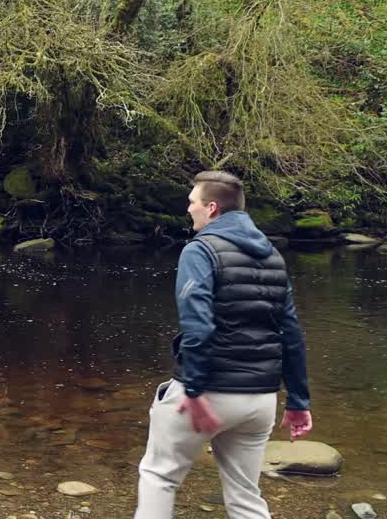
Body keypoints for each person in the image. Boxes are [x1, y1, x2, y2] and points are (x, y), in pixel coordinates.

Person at [133, 170, 313, 519]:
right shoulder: (273, 257)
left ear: (211, 208)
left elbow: (198, 324)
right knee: (246, 496)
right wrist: (298, 400)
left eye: (192, 203)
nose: (189, 210)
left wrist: (195, 387)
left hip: (208, 393)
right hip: (260, 400)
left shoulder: (199, 251)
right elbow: (290, 333)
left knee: (158, 476)